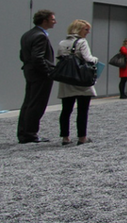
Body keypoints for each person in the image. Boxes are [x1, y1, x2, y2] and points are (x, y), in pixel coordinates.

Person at [56, 20, 98, 145]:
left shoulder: (62, 43)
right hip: (81, 80)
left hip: (67, 80)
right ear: (78, 29)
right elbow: (88, 58)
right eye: (86, 29)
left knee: (66, 110)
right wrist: (96, 59)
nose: (88, 32)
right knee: (83, 110)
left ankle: (65, 137)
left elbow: (59, 58)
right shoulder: (82, 42)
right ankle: (82, 137)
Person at [18, 9, 57, 144]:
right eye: (52, 19)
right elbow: (38, 57)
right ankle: (30, 134)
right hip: (39, 74)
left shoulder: (27, 35)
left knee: (28, 102)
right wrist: (47, 71)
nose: (55, 22)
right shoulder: (40, 36)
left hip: (29, 71)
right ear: (44, 20)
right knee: (37, 104)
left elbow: (23, 55)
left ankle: (23, 132)